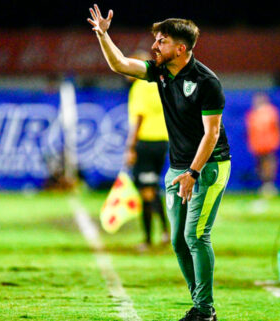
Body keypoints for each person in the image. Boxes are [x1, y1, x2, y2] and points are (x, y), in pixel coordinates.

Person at [88, 5, 231, 320]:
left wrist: (193, 172)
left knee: (196, 236)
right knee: (179, 242)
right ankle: (201, 306)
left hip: (209, 166)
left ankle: (205, 310)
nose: (154, 46)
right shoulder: (162, 71)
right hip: (179, 167)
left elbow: (212, 133)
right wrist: (104, 35)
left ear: (180, 48)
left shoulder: (207, 82)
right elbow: (120, 64)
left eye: (161, 41)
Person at [124, 50, 170, 252]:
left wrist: (130, 147)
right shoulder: (159, 84)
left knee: (146, 192)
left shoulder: (139, 87)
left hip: (145, 142)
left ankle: (147, 239)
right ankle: (166, 232)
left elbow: (139, 118)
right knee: (153, 188)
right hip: (162, 142)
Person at [245, 92, 280, 197]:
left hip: (269, 144)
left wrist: (275, 141)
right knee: (260, 166)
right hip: (258, 145)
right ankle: (264, 185)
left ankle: (269, 185)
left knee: (269, 165)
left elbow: (276, 127)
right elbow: (250, 131)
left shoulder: (271, 112)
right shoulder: (253, 114)